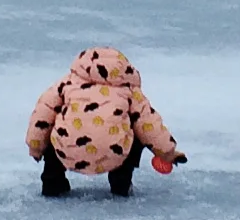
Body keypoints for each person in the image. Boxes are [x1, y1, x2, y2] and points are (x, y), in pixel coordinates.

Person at [27, 46, 185, 197]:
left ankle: (53, 180)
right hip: (114, 153)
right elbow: (149, 125)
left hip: (67, 149)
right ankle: (120, 181)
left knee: (54, 123)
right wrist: (167, 153)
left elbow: (42, 115)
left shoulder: (66, 83)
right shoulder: (128, 90)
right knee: (137, 125)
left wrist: (36, 147)